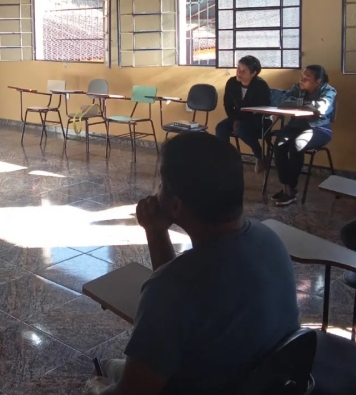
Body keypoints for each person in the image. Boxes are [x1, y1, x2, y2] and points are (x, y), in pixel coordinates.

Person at [85, 132, 299, 395]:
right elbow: (180, 287)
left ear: (176, 205)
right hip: (266, 381)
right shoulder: (268, 239)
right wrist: (156, 232)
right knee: (109, 366)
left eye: (161, 184)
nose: (156, 191)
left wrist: (97, 389)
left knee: (99, 381)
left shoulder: (169, 289)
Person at [273, 64, 336, 207]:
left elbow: (322, 107)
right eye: (302, 76)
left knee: (297, 145)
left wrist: (299, 104)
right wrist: (303, 103)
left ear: (318, 81)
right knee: (279, 144)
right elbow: (281, 102)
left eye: (306, 78)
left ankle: (290, 189)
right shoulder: (297, 88)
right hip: (295, 127)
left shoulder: (328, 90)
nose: (302, 80)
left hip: (319, 129)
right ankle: (286, 187)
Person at [215, 55, 271, 173]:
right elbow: (228, 105)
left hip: (259, 120)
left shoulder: (261, 86)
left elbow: (261, 110)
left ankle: (259, 155)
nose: (239, 73)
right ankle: (226, 159)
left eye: (244, 71)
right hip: (237, 118)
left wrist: (239, 122)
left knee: (242, 129)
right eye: (238, 69)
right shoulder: (232, 83)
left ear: (253, 73)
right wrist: (235, 120)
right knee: (221, 128)